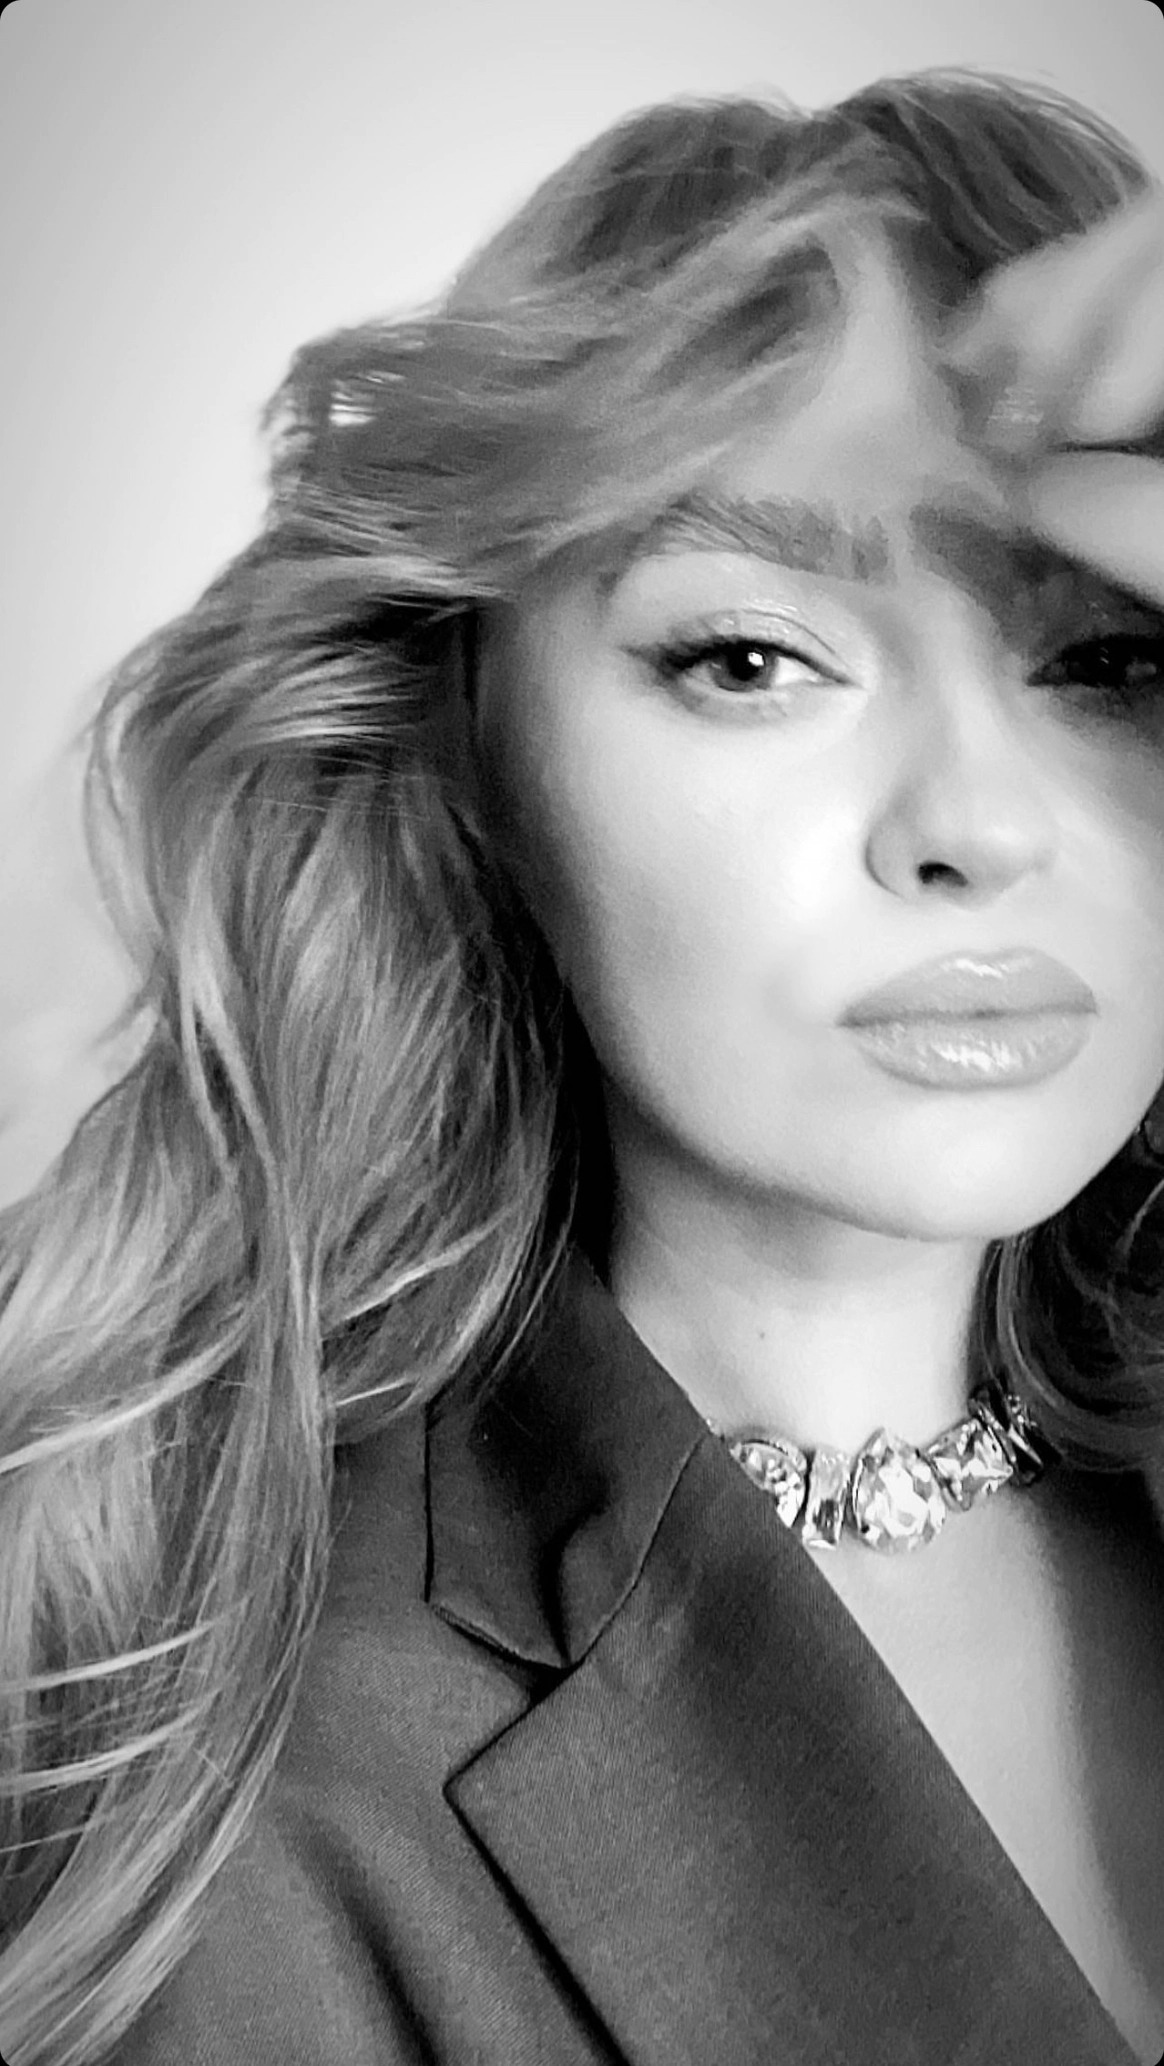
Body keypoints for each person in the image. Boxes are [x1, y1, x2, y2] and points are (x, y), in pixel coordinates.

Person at [2, 63, 1164, 2066]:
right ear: (478, 765)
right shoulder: (264, 1808)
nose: (976, 821)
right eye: (752, 656)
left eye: (1113, 659)